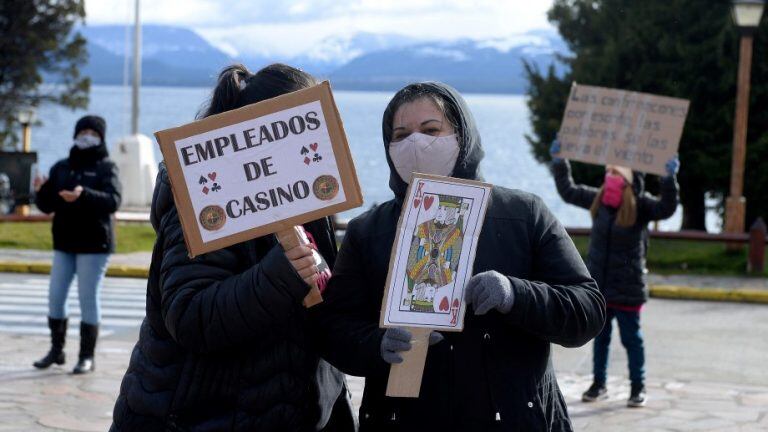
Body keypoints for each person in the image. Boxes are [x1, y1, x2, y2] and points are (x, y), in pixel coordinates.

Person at [310, 82, 606, 431]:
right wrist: (377, 344)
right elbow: (332, 329)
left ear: (462, 135)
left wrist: (516, 294)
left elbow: (587, 310)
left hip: (512, 417)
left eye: (431, 130)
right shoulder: (368, 231)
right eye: (401, 135)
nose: (415, 144)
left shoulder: (524, 215)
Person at [110, 64, 355, 431]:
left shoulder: (303, 198)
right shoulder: (204, 201)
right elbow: (190, 313)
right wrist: (281, 274)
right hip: (200, 417)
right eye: (308, 122)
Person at [549, 139, 680, 408]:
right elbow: (568, 191)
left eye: (617, 173)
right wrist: (560, 162)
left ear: (629, 180)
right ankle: (599, 384)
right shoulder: (600, 200)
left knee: (632, 340)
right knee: (601, 339)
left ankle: (637, 387)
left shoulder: (641, 205)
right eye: (609, 172)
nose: (611, 177)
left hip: (628, 288)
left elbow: (667, 208)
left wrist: (669, 179)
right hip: (600, 287)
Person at [33, 115, 122, 374]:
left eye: (92, 132)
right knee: (55, 297)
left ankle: (86, 356)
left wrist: (84, 195)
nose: (87, 136)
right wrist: (40, 191)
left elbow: (113, 201)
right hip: (64, 242)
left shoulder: (107, 168)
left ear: (101, 137)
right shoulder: (62, 167)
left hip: (94, 244)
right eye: (82, 131)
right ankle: (56, 350)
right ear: (74, 134)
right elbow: (47, 205)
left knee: (88, 298)